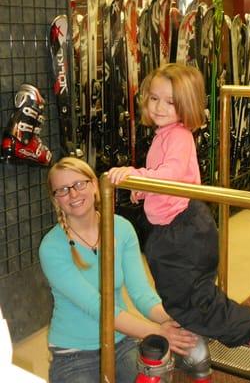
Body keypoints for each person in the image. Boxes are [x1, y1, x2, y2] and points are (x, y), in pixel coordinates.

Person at [108, 63, 250, 350]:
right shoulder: (165, 132)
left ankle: (249, 332)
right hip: (175, 228)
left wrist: (134, 174)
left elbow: (171, 174)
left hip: (185, 231)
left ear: (186, 105)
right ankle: (218, 334)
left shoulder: (178, 136)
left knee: (194, 301)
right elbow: (163, 175)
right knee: (180, 298)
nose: (159, 107)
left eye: (171, 102)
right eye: (154, 98)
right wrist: (143, 190)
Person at [39, 156, 197, 383]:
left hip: (121, 342)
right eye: (62, 190)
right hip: (72, 354)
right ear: (55, 200)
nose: (73, 194)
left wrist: (173, 321)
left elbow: (141, 293)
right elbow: (100, 307)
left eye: (79, 184)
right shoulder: (51, 247)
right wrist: (158, 332)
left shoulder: (122, 228)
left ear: (94, 185)